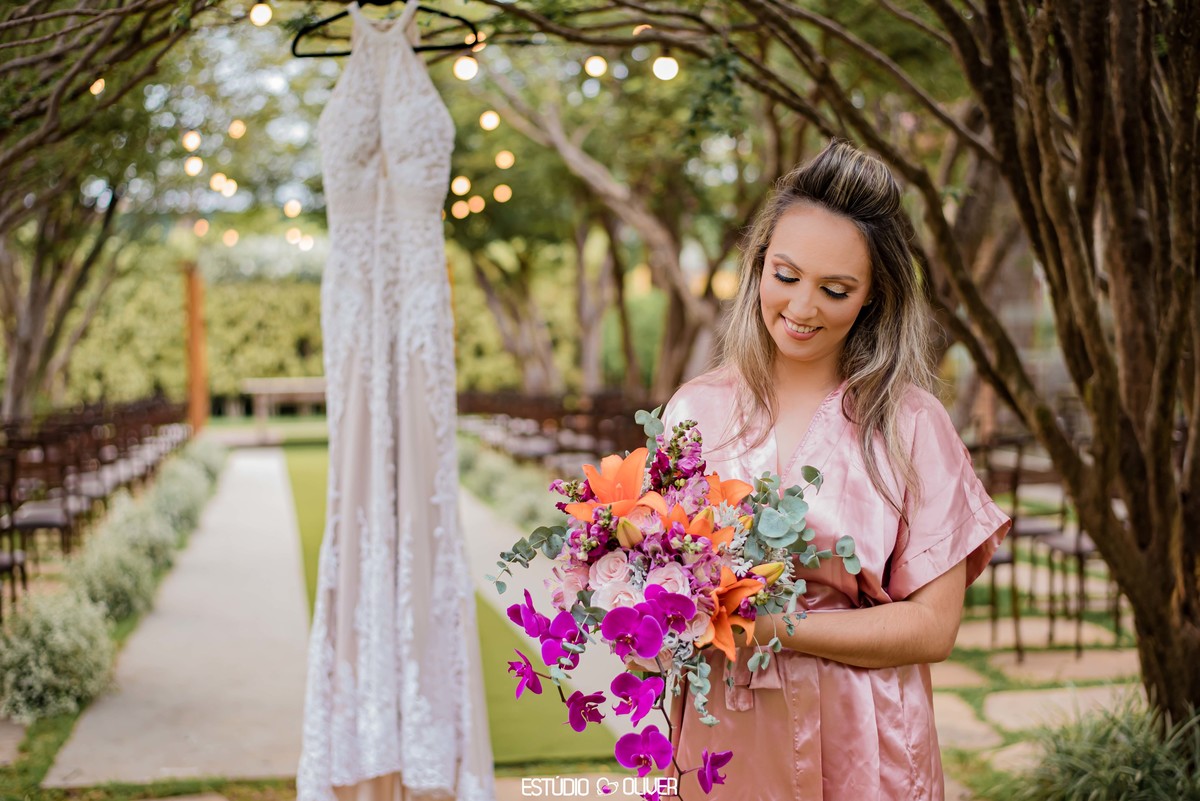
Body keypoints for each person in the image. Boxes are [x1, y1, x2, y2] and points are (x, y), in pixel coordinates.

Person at [659, 140, 1010, 800]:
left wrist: (772, 626)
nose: (803, 307)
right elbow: (662, 578)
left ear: (874, 297)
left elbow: (933, 627)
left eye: (836, 289)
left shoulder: (912, 424)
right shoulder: (695, 410)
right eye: (785, 275)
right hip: (730, 737)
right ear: (758, 265)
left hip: (868, 745)